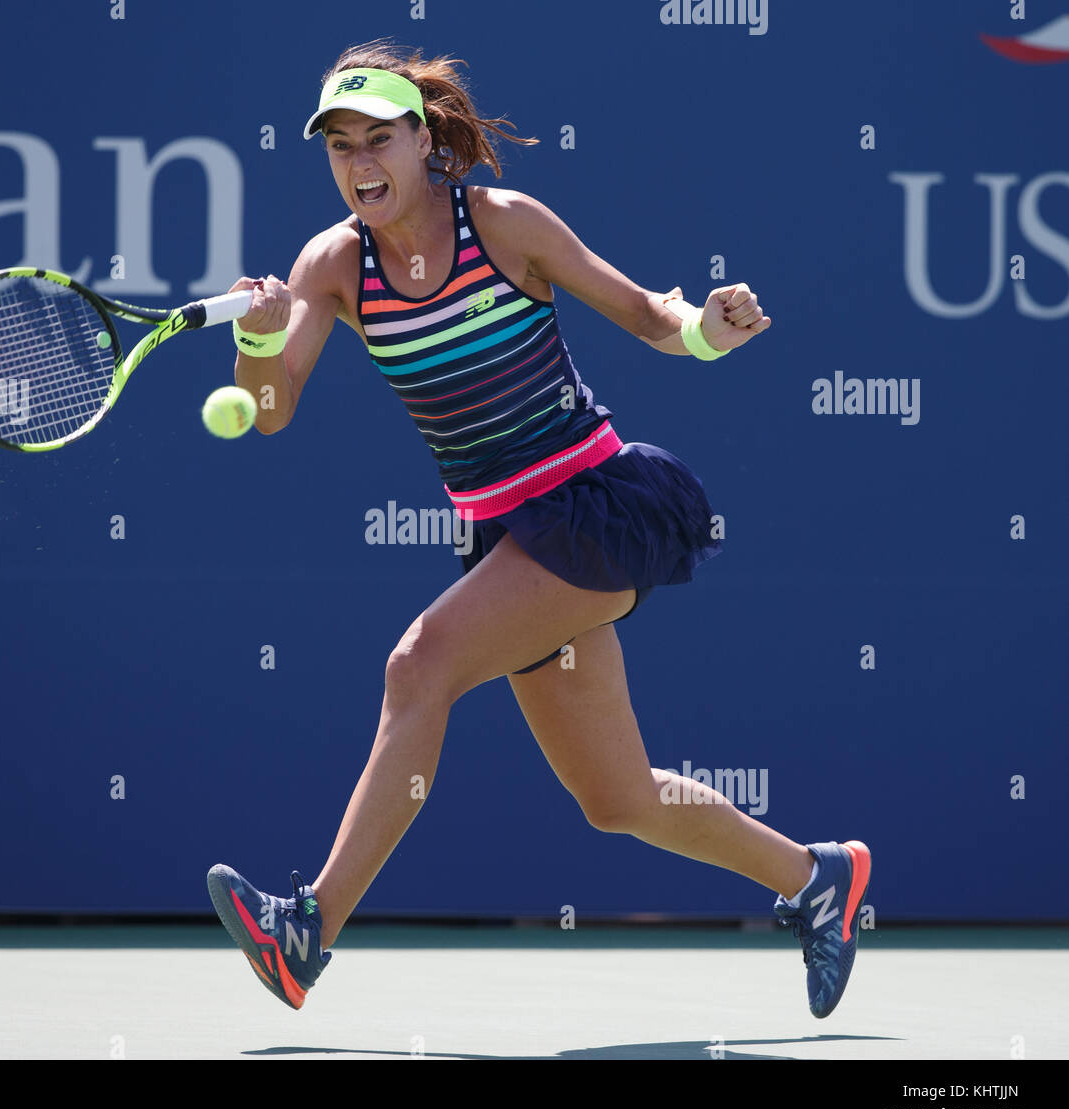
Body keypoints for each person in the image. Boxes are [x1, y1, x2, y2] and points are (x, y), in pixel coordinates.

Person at [206, 40, 870, 1018]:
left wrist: (707, 330)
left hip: (597, 508)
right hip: (510, 542)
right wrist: (257, 339)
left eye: (377, 139)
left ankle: (307, 930)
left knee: (417, 665)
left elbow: (649, 314)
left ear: (423, 142)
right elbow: (269, 409)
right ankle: (818, 877)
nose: (358, 162)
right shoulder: (332, 265)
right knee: (616, 798)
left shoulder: (504, 225)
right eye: (338, 145)